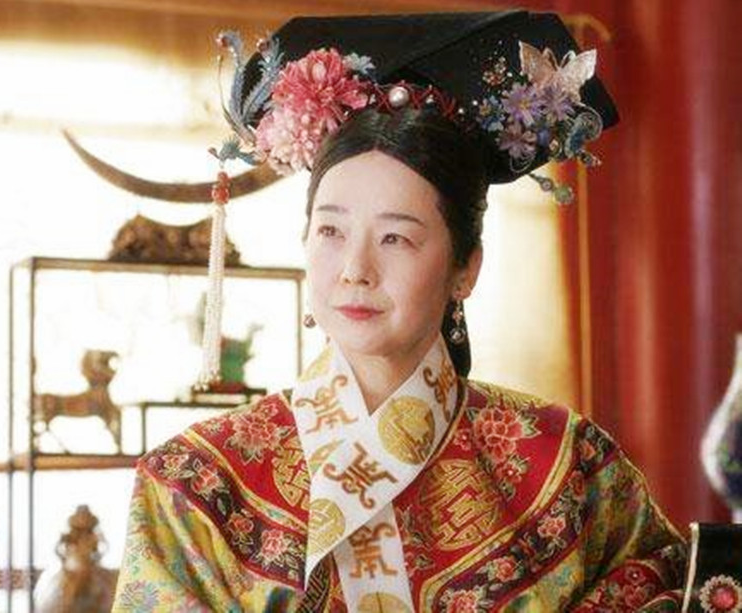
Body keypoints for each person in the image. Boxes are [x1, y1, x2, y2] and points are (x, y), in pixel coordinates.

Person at [113, 10, 687, 612]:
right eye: (331, 231)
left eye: (396, 238)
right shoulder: (196, 483)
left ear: (465, 268)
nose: (355, 268)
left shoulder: (569, 466)